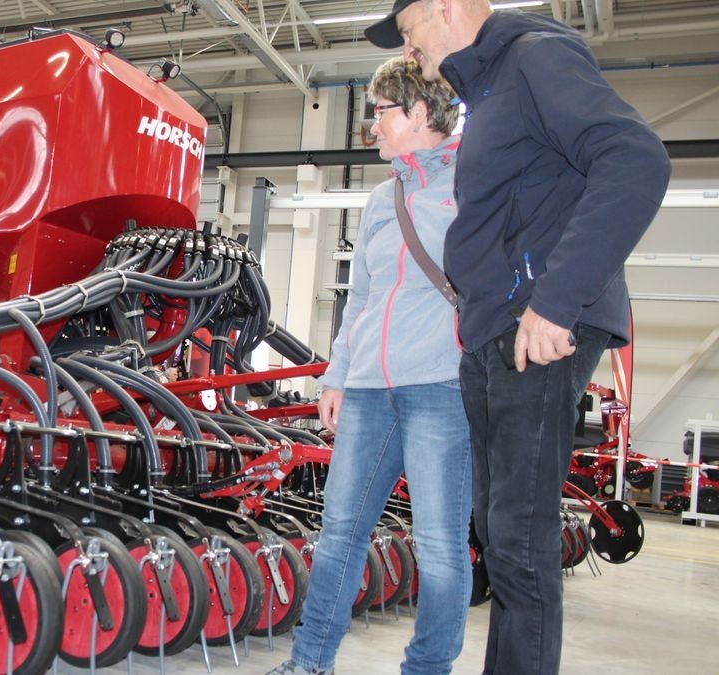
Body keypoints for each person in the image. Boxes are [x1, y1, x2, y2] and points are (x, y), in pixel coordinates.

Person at [363, 2, 672, 673]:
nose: (409, 48)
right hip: (494, 331)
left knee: (521, 542)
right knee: (501, 537)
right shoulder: (490, 86)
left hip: (534, 329)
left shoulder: (534, 57)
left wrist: (555, 302)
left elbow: (636, 159)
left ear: (443, 8)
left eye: (409, 30)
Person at [270, 56, 470, 675]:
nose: (372, 128)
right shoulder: (384, 199)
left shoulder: (474, 183)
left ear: (416, 112)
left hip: (441, 386)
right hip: (367, 392)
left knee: (439, 549)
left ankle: (426, 669)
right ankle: (310, 664)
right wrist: (335, 374)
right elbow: (361, 298)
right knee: (340, 534)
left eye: (380, 112)